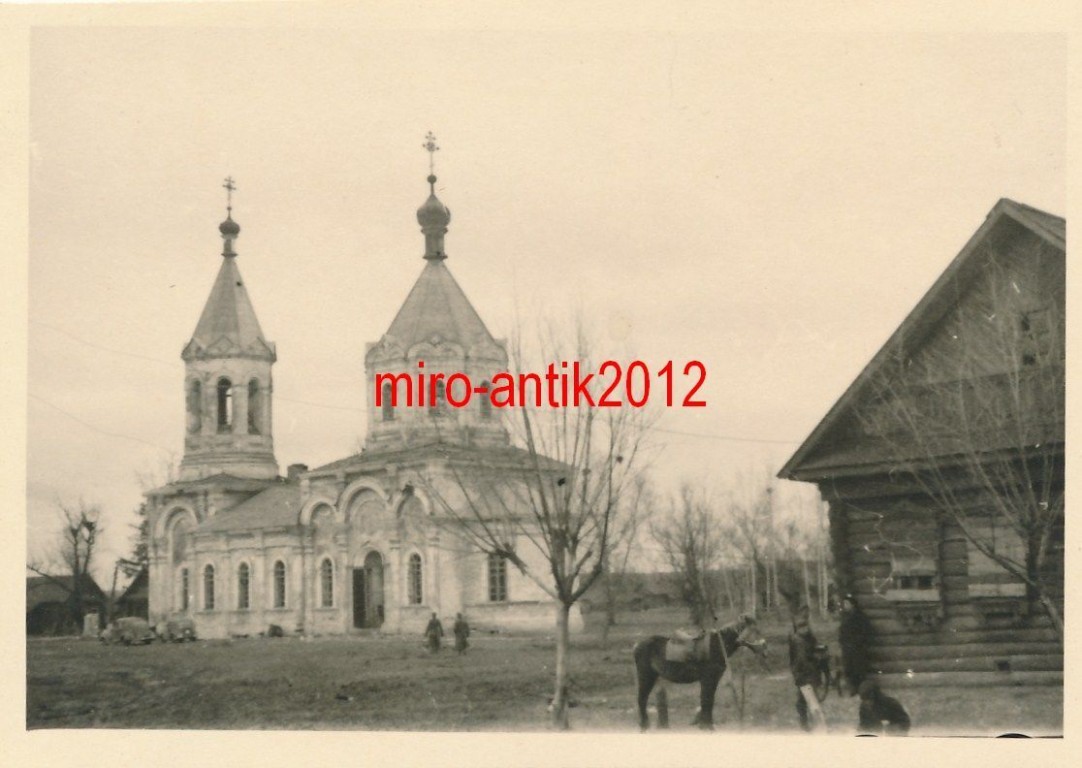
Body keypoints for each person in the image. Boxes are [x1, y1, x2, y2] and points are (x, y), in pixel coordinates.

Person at [789, 604, 828, 732]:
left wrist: (818, 648)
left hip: (808, 672)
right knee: (807, 698)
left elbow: (813, 644)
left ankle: (808, 721)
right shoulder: (798, 639)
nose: (805, 628)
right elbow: (801, 659)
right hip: (805, 673)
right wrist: (816, 658)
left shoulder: (806, 635)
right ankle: (809, 723)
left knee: (807, 698)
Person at [838, 593, 874, 695]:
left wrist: (857, 642)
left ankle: (861, 690)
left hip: (858, 649)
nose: (844, 606)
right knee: (849, 669)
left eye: (846, 603)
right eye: (844, 603)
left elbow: (867, 632)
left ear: (852, 604)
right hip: (847, 648)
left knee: (859, 670)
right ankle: (852, 689)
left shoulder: (860, 617)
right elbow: (842, 632)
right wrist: (842, 642)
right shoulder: (845, 617)